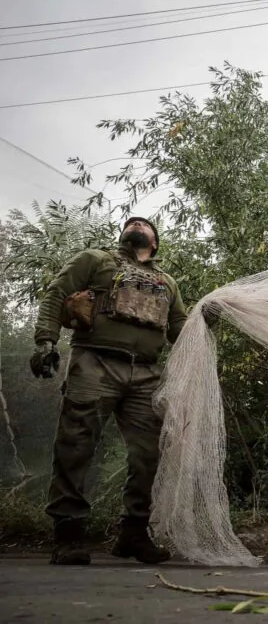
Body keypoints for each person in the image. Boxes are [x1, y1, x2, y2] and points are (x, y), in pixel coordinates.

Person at [30, 216, 189, 565]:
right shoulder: (94, 259)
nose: (138, 223)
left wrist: (207, 320)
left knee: (149, 453)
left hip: (146, 372)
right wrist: (45, 341)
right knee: (75, 444)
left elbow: (180, 328)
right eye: (132, 222)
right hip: (95, 363)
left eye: (146, 224)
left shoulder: (167, 282)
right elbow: (57, 293)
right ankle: (68, 535)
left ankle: (133, 533)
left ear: (155, 243)